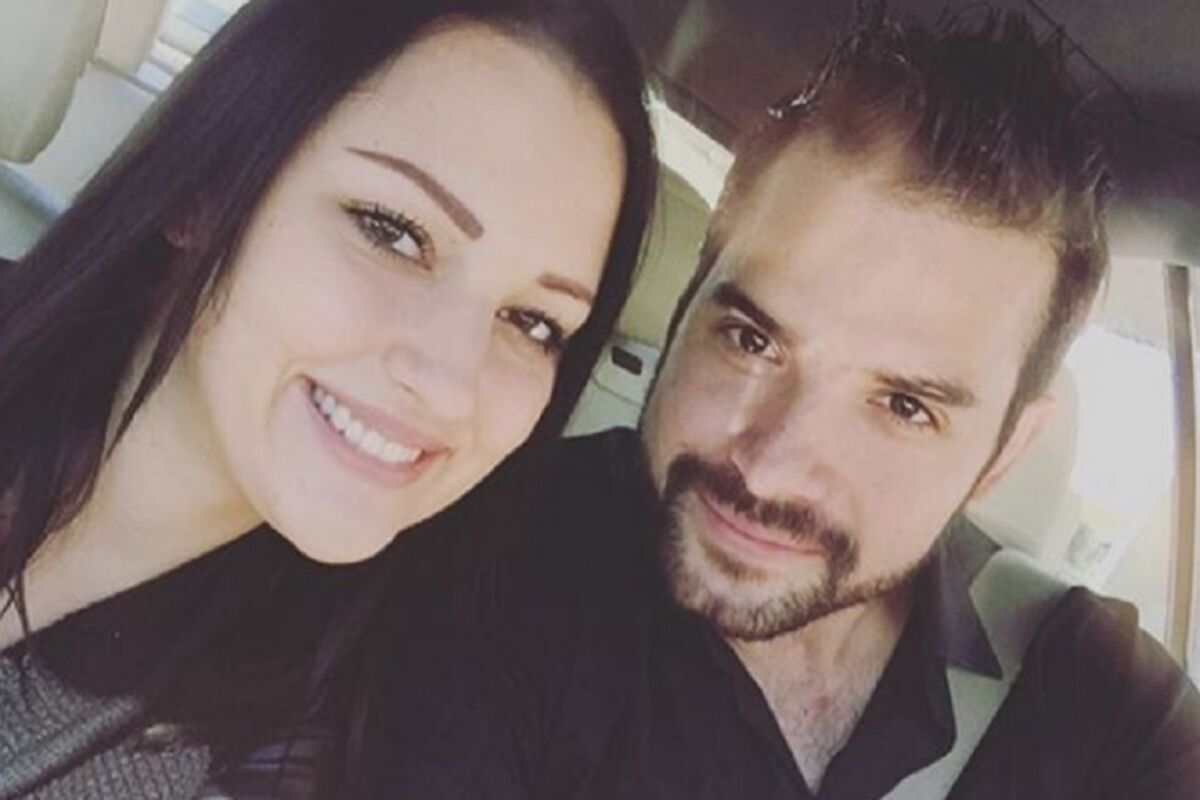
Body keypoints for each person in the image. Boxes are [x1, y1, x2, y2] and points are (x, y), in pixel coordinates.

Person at [376, 9, 1200, 800]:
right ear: (688, 302)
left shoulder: (1104, 701)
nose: (768, 469)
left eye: (904, 406)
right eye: (751, 340)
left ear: (1004, 454)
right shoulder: (487, 566)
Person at [0, 0, 655, 796]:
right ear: (208, 186)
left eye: (533, 322)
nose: (449, 385)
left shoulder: (308, 761)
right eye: (393, 231)